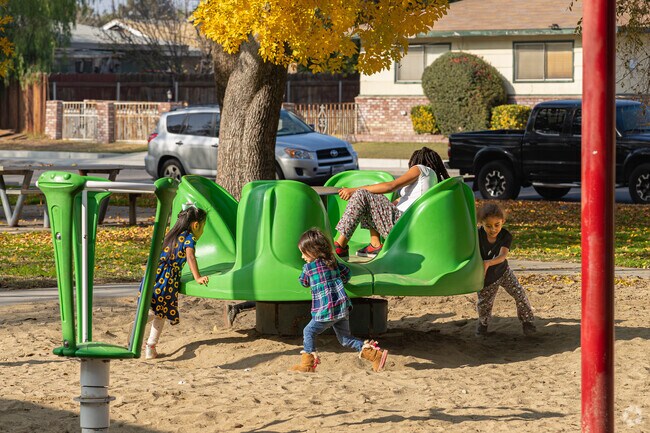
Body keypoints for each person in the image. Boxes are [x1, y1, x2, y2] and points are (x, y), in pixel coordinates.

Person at [291, 228, 388, 373]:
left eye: (303, 253)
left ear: (312, 251)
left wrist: (306, 273)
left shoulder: (309, 268)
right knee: (345, 339)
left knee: (309, 331)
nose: (302, 256)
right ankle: (375, 355)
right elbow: (346, 274)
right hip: (342, 308)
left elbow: (303, 282)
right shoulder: (332, 261)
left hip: (326, 310)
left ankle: (308, 364)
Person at [334, 147, 450, 259]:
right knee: (370, 197)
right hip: (408, 226)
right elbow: (393, 203)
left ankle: (340, 246)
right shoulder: (430, 184)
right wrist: (372, 202)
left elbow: (391, 186)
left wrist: (353, 191)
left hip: (402, 224)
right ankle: (375, 245)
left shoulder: (421, 169)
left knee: (362, 194)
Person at [144, 204, 209, 359]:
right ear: (196, 225)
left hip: (153, 276)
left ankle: (147, 338)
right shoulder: (189, 237)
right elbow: (190, 256)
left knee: (155, 309)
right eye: (203, 226)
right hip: (167, 280)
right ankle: (146, 339)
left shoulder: (170, 235)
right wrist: (197, 277)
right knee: (160, 313)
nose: (203, 230)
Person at [475, 202, 536, 336]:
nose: (493, 229)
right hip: (487, 278)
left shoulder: (505, 236)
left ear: (503, 221)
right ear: (481, 223)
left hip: (503, 272)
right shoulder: (476, 235)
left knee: (520, 294)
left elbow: (502, 256)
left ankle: (528, 323)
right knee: (484, 304)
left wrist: (487, 263)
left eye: (497, 225)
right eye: (488, 226)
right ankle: (483, 325)